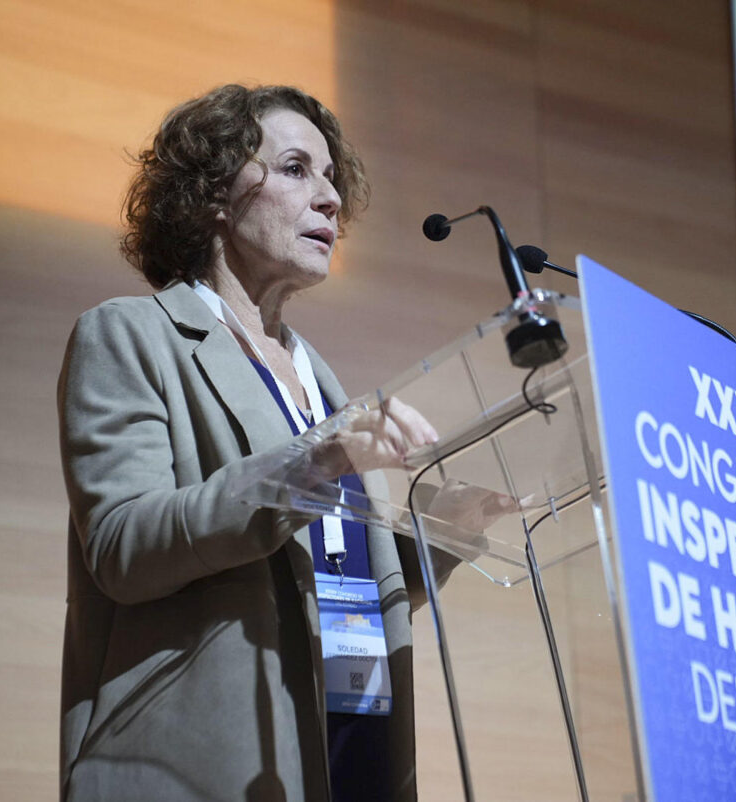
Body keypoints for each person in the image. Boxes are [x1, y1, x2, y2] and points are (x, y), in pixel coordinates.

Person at [57, 84, 454, 802]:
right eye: (297, 169)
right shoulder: (130, 335)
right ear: (214, 193)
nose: (330, 200)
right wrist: (309, 467)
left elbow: (330, 578)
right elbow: (122, 547)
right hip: (198, 769)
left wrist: (449, 533)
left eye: (331, 179)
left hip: (346, 756)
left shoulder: (322, 381)